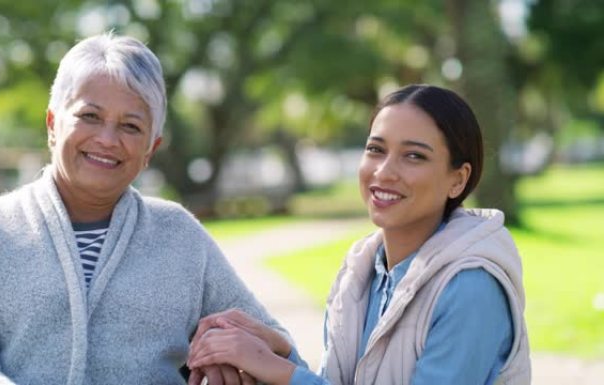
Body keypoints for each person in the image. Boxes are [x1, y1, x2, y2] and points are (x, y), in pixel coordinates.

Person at [0, 33, 288, 384]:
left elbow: (284, 353)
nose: (107, 140)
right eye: (89, 116)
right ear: (52, 124)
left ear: (150, 150)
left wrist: (241, 351)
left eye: (130, 126)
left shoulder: (179, 234)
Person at [187, 84, 531, 384]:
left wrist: (276, 369)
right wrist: (277, 353)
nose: (384, 171)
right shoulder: (360, 273)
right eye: (375, 149)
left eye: (413, 156)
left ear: (457, 179)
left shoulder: (470, 288)